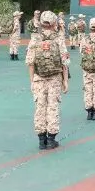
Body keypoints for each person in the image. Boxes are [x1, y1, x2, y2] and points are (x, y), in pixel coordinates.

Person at [26, 11, 69, 150]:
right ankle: (51, 139)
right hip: (55, 78)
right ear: (54, 23)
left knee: (40, 107)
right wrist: (65, 81)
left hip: (39, 78)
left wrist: (32, 81)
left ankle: (41, 140)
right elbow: (65, 62)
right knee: (52, 107)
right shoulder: (58, 39)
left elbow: (30, 62)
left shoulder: (35, 39)